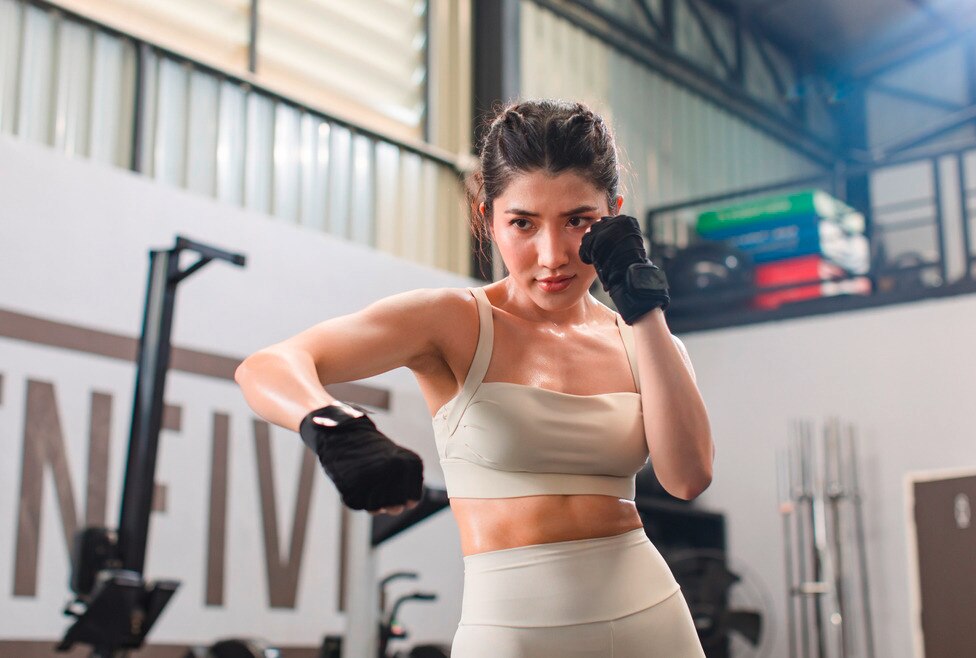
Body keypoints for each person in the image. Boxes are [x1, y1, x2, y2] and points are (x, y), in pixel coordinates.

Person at [235, 99, 713, 657]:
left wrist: (644, 307)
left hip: (651, 622)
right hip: (511, 636)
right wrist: (335, 425)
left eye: (578, 221)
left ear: (615, 216)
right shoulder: (453, 322)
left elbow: (688, 478)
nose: (552, 254)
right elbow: (268, 364)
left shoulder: (642, 338)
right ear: (488, 216)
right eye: (523, 224)